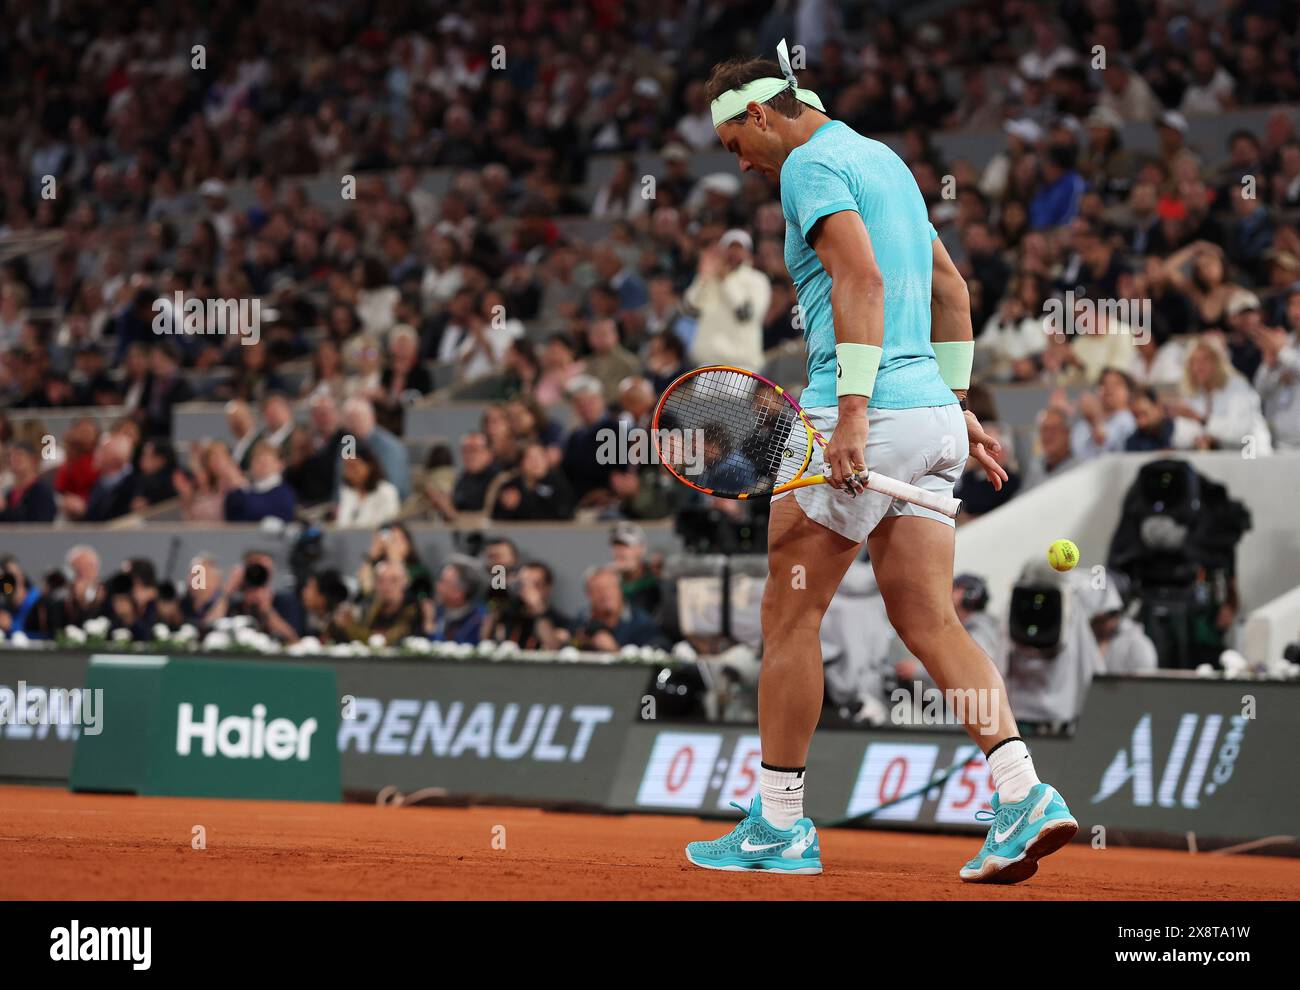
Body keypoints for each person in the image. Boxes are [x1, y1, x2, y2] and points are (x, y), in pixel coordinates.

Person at [686, 42, 1077, 883]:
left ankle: (780, 825)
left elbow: (861, 282)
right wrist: (958, 407)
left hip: (856, 411)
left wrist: (855, 415)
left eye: (734, 146)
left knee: (789, 620)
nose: (743, 167)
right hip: (932, 416)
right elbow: (950, 290)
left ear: (759, 115)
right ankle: (1023, 793)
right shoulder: (888, 161)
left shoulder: (807, 166)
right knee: (930, 619)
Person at [336, 443, 401, 527]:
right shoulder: (347, 492)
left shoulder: (387, 492)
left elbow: (388, 527)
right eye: (346, 467)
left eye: (354, 466)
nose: (350, 473)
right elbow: (341, 524)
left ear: (369, 465)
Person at [0, 440, 56, 523]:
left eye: (19, 455)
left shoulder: (42, 491)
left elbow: (40, 522)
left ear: (32, 460)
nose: (14, 459)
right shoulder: (9, 494)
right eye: (11, 456)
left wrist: (5, 510)